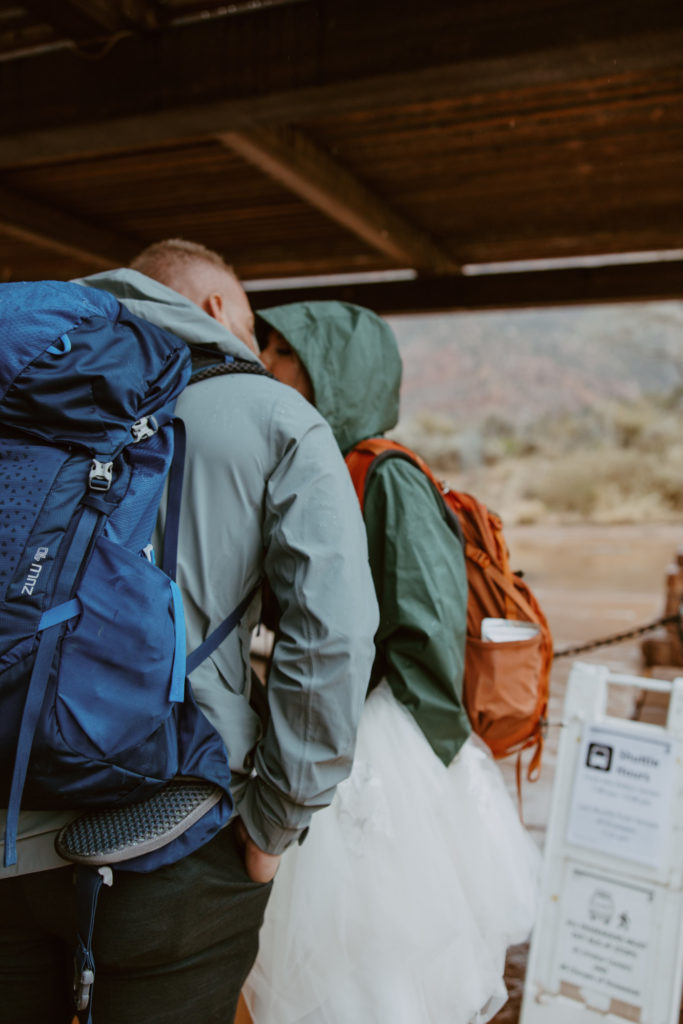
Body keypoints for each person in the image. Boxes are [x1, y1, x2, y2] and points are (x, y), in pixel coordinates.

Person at [0, 244, 379, 1024]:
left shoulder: (17, 391)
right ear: (215, 311)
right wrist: (277, 821)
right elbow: (333, 632)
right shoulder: (274, 415)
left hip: (6, 821)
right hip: (177, 833)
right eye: (251, 324)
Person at [242, 300, 542, 1024]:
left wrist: (402, 766)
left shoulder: (383, 475)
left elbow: (425, 625)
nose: (266, 364)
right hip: (327, 723)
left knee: (380, 955)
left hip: (377, 745)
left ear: (330, 371)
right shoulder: (314, 464)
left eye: (282, 353)